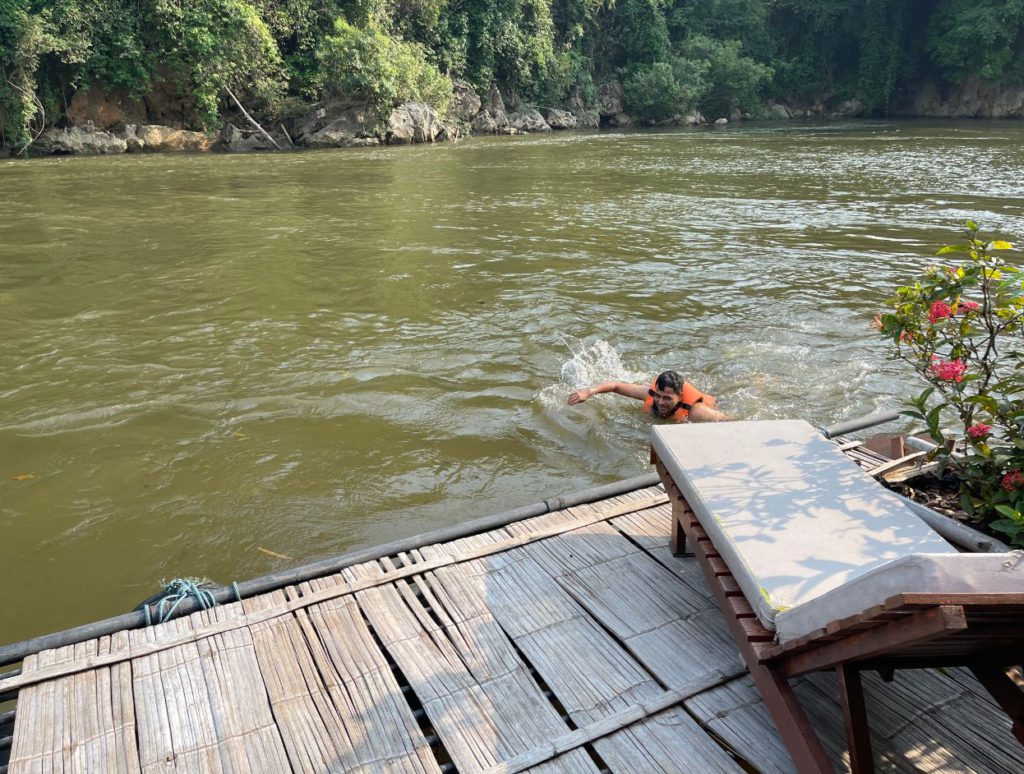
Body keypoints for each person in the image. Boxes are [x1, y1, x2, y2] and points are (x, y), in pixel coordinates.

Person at [567, 369, 732, 422]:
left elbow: (730, 422)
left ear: (680, 396)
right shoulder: (649, 394)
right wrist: (589, 391)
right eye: (659, 396)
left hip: (720, 402)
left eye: (668, 398)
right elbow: (615, 386)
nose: (660, 402)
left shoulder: (697, 412)